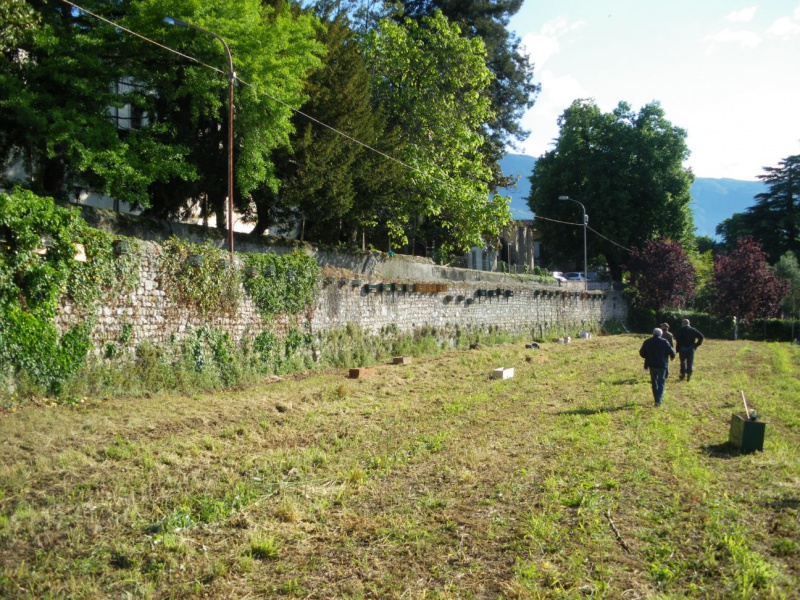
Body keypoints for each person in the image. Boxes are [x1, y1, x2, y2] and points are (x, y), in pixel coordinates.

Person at [639, 328, 676, 407]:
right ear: (661, 334)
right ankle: (658, 401)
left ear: (653, 333)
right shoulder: (664, 341)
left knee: (654, 382)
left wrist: (648, 356)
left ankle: (656, 399)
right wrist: (672, 356)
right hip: (661, 365)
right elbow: (671, 351)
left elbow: (642, 353)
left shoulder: (647, 342)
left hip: (651, 365)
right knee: (661, 382)